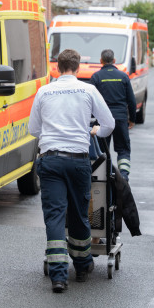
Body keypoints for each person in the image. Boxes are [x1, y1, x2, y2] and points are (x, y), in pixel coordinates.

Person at [29, 49, 115, 293]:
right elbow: (109, 124)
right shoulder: (88, 90)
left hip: (51, 161)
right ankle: (82, 266)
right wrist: (93, 131)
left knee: (55, 216)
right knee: (80, 214)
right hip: (78, 161)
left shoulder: (44, 91)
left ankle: (58, 277)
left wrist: (52, 132)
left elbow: (33, 129)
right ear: (77, 68)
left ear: (57, 67)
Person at [89, 49, 136, 181]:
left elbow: (89, 100)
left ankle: (105, 177)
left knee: (102, 151)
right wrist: (132, 119)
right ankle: (124, 176)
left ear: (101, 61)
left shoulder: (96, 77)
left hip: (103, 120)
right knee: (123, 150)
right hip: (121, 119)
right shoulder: (123, 76)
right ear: (114, 61)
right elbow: (131, 101)